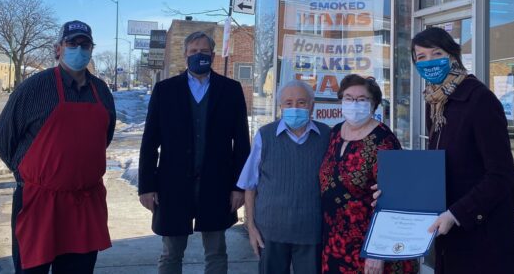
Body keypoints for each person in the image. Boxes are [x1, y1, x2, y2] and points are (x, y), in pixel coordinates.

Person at [0, 20, 116, 274]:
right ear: (58, 48)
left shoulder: (101, 90)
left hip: (85, 203)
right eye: (72, 43)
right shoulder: (34, 88)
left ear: (91, 49)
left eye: (85, 44)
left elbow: (105, 136)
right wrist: (30, 176)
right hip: (39, 203)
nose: (79, 49)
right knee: (31, 270)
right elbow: (4, 139)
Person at [411, 27, 514, 273]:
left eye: (436, 53)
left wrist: (456, 214)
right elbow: (440, 165)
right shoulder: (437, 102)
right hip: (449, 233)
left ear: (452, 55)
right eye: (421, 57)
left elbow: (500, 175)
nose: (429, 61)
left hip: (483, 236)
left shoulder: (479, 99)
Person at [138, 31, 251, 274]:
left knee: (216, 252)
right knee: (171, 252)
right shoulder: (165, 90)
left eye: (203, 51)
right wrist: (146, 185)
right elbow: (149, 142)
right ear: (185, 55)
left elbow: (242, 142)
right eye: (193, 51)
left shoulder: (230, 90)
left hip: (216, 184)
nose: (198, 55)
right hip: (173, 184)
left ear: (213, 54)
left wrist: (239, 187)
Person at [319, 74, 418, 274]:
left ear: (374, 105)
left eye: (362, 99)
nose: (354, 104)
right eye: (348, 98)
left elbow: (396, 200)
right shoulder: (336, 133)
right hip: (335, 242)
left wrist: (378, 251)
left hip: (370, 249)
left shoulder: (384, 141)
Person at [238, 79, 330, 274]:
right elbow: (250, 185)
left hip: (312, 232)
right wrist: (251, 228)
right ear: (280, 106)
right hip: (270, 233)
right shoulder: (265, 135)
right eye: (289, 103)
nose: (294, 107)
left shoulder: (327, 136)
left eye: (301, 103)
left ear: (312, 106)